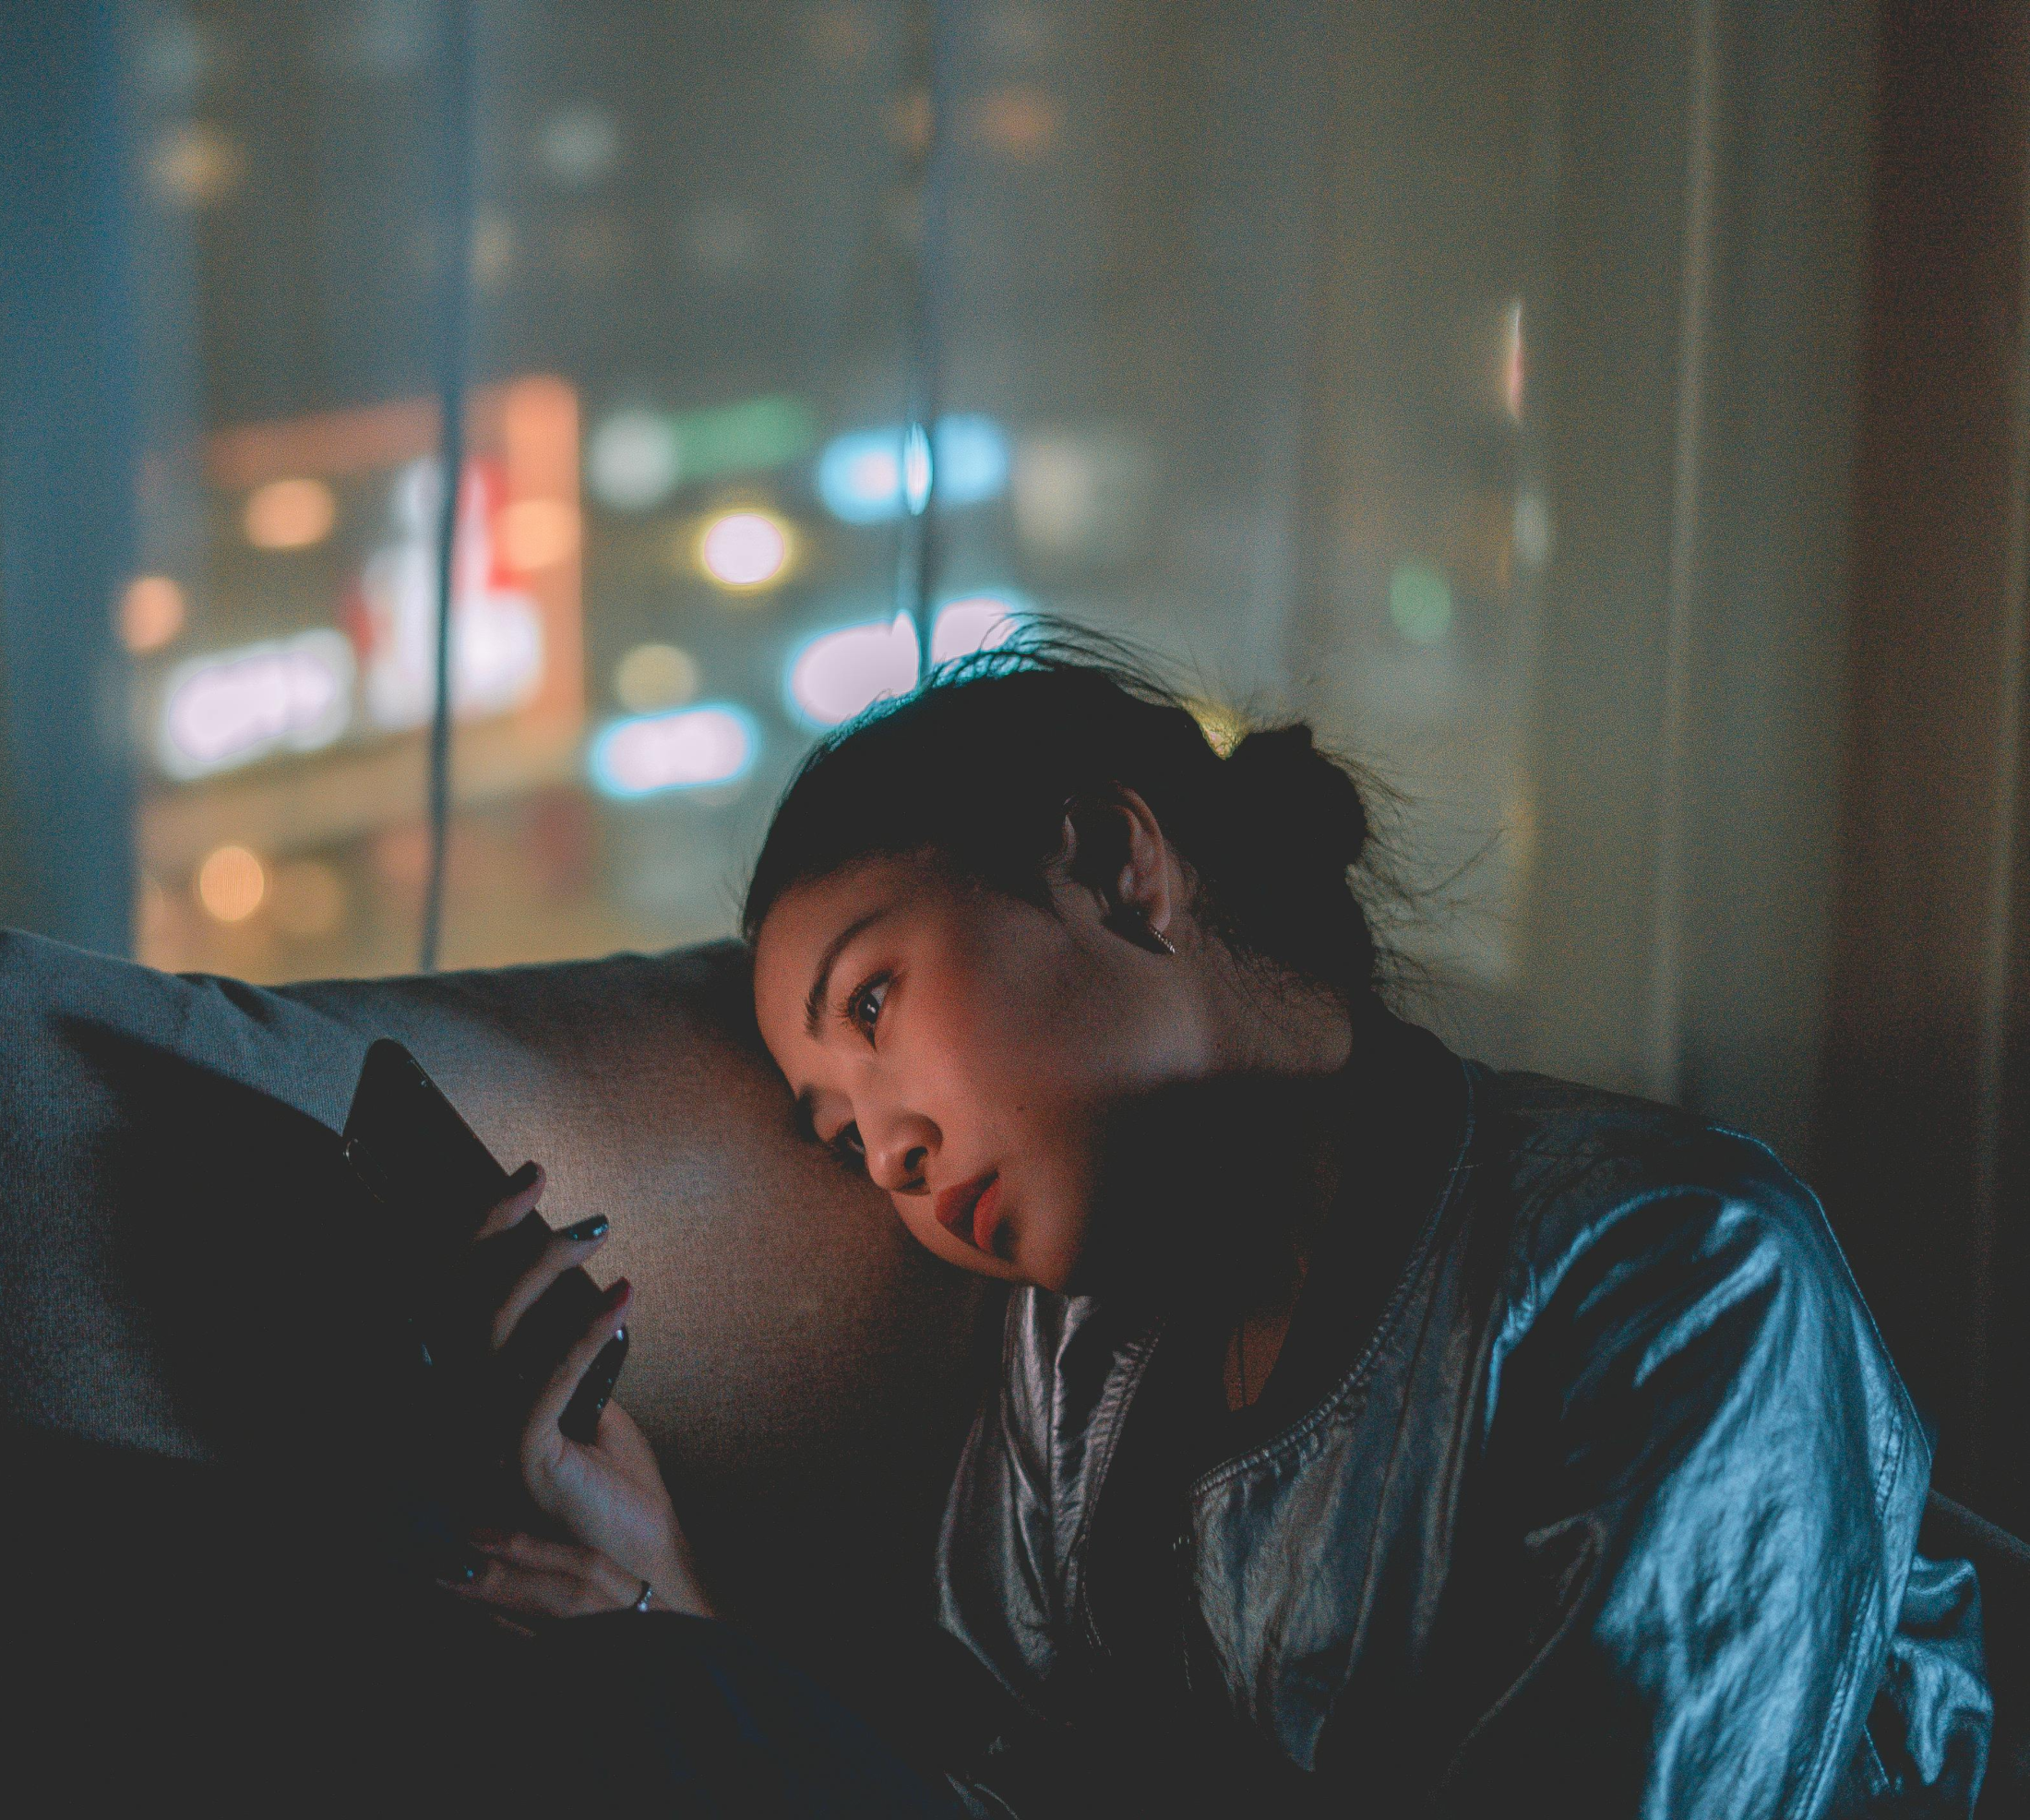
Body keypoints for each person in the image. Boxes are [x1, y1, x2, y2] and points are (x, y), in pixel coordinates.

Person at [444, 637, 1993, 1816]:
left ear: (1121, 867)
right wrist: (675, 1609)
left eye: (875, 1003)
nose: (895, 1156)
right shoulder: (1072, 1366)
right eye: (840, 1137)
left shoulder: (1675, 1269)